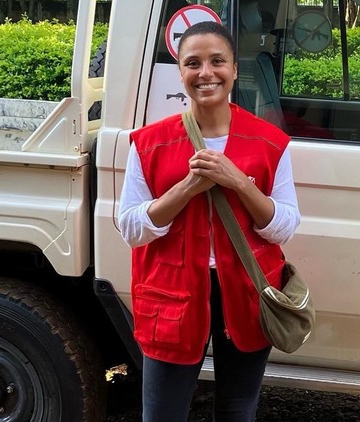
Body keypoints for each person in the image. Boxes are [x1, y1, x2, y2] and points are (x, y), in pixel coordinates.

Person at [117, 21, 300, 422]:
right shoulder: (149, 143)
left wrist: (239, 183)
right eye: (193, 63)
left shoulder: (269, 142)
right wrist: (186, 188)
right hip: (172, 296)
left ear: (235, 69)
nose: (206, 73)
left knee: (238, 411)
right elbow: (131, 227)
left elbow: (284, 225)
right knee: (162, 414)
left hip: (247, 291)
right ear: (179, 72)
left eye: (218, 61)